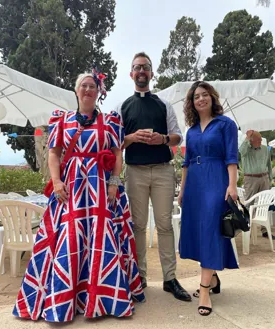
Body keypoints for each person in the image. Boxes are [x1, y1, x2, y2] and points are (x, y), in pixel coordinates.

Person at [13, 69, 145, 323]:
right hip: (71, 188)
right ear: (76, 90)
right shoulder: (62, 120)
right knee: (69, 239)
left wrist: (114, 183)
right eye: (83, 85)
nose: (87, 90)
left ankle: (102, 299)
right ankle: (64, 300)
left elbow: (117, 154)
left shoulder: (111, 121)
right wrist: (56, 181)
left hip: (100, 187)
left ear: (98, 92)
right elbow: (54, 154)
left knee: (100, 239)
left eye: (92, 86)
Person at [116, 52, 191, 302]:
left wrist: (163, 139)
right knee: (137, 225)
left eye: (145, 67)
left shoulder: (163, 104)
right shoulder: (122, 107)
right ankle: (139, 277)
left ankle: (170, 278)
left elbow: (178, 136)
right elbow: (114, 142)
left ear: (151, 73)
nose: (141, 71)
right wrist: (132, 138)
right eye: (137, 67)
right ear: (131, 74)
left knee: (165, 225)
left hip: (162, 170)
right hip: (135, 171)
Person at [178, 81, 239, 316]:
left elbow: (231, 157)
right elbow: (185, 163)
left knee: (212, 229)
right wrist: (183, 190)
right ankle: (212, 278)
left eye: (205, 95)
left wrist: (232, 185)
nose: (200, 99)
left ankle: (204, 290)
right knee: (199, 231)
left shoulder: (226, 124)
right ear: (191, 103)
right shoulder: (191, 131)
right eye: (196, 97)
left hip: (216, 180)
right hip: (194, 183)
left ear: (212, 98)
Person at [239, 130, 274, 239]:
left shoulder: (264, 149)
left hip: (264, 178)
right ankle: (247, 227)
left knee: (265, 204)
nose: (260, 141)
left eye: (260, 139)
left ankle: (264, 230)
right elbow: (241, 151)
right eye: (258, 140)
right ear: (251, 140)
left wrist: (270, 178)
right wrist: (247, 138)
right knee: (249, 204)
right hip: (251, 178)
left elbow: (268, 163)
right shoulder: (246, 149)